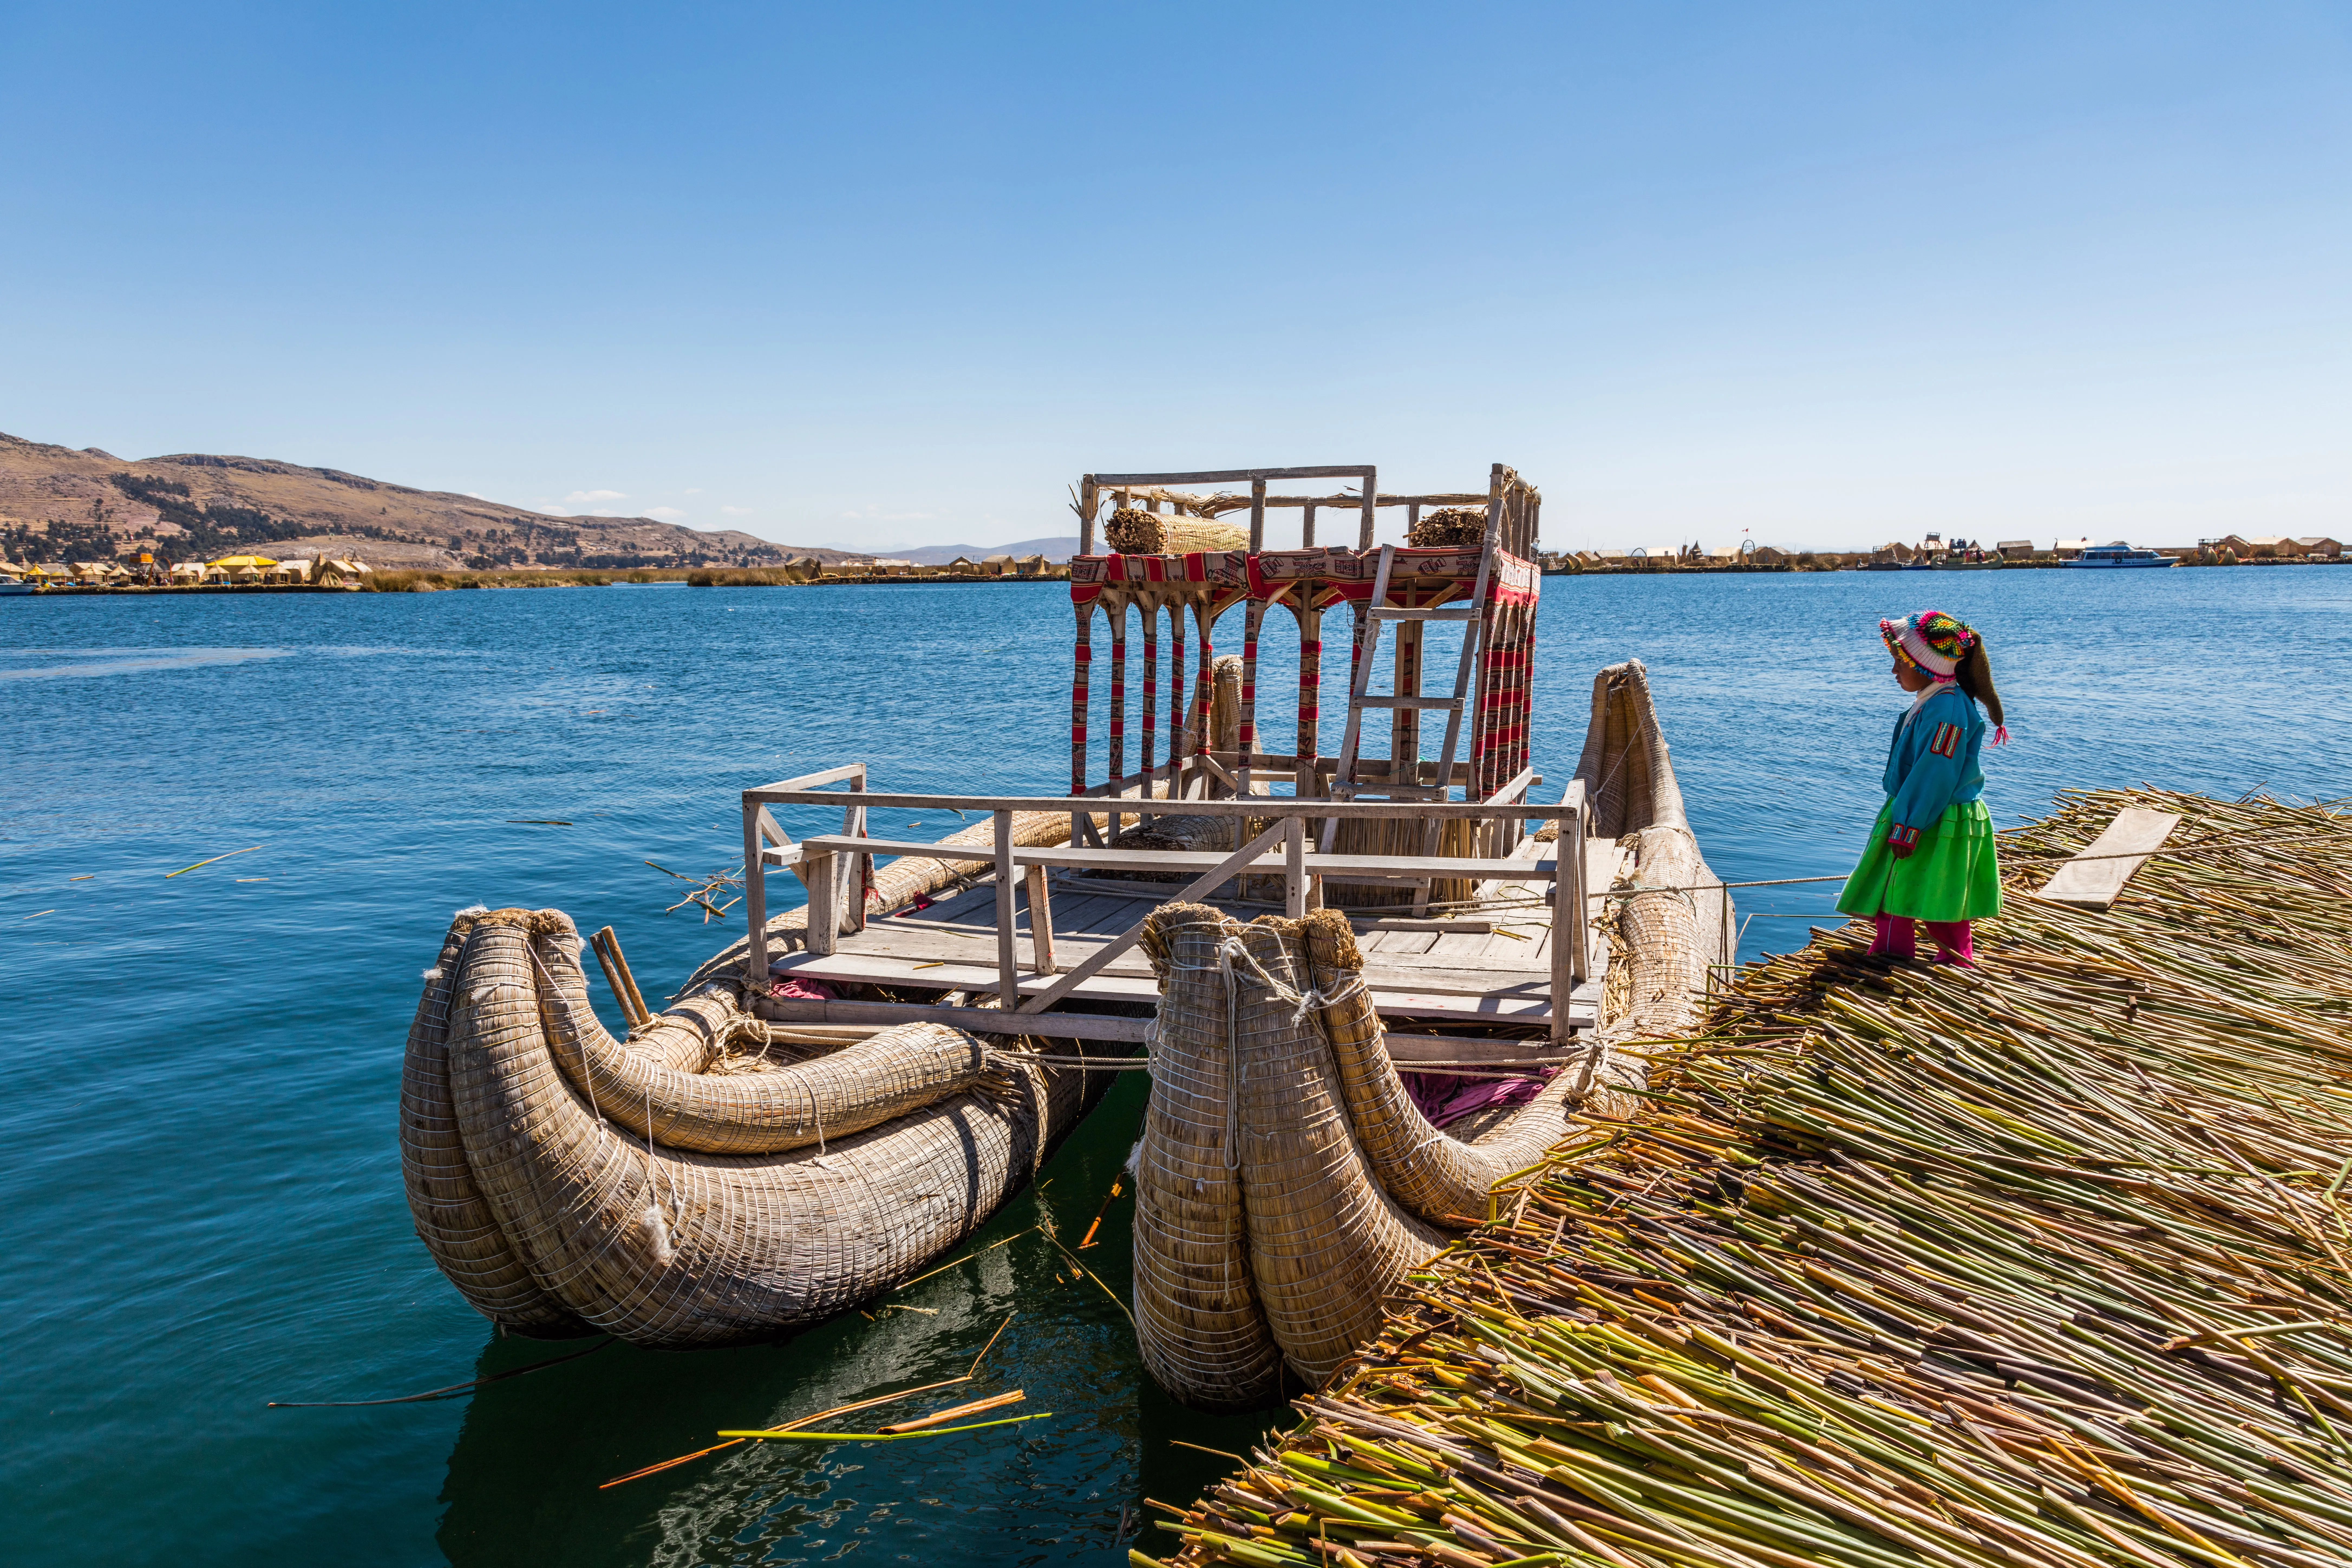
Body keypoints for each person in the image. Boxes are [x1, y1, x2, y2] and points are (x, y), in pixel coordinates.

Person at [1835, 609, 2008, 964]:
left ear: (1928, 666)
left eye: (1900, 662)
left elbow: (1936, 771)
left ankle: (1955, 959)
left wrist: (1909, 824)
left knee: (1935, 890)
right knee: (1894, 883)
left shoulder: (1946, 710)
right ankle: (1891, 951)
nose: (1894, 671)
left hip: (1937, 814)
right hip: (1920, 807)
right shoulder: (1934, 700)